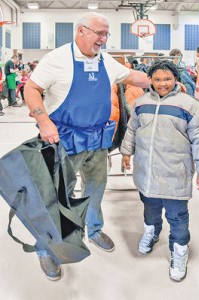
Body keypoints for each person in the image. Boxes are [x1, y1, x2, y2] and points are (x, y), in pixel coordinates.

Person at [24, 12, 151, 281]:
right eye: (99, 33)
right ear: (80, 31)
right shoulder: (56, 59)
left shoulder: (106, 61)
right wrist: (43, 120)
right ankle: (46, 247)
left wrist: (165, 80)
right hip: (64, 142)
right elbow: (31, 88)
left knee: (95, 190)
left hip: (97, 141)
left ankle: (93, 230)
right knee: (57, 196)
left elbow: (134, 78)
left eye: (106, 34)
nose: (104, 39)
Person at [120, 60, 199, 282]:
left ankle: (180, 250)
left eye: (168, 79)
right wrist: (126, 151)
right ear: (150, 80)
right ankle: (151, 234)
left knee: (177, 216)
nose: (163, 84)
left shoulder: (189, 105)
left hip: (175, 174)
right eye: (158, 79)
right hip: (147, 173)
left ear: (176, 79)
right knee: (150, 210)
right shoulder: (142, 102)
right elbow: (132, 129)